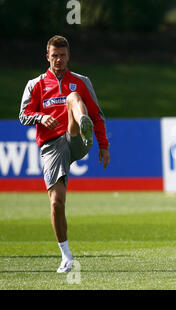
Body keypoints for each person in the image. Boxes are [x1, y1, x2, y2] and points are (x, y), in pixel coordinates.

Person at [19, 35, 110, 273]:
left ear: (68, 56)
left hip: (77, 139)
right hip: (52, 146)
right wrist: (40, 116)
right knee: (57, 203)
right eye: (54, 55)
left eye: (62, 55)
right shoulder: (35, 84)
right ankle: (66, 256)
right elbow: (23, 114)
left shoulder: (81, 81)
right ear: (47, 56)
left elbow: (98, 114)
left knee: (73, 98)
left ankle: (82, 124)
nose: (58, 60)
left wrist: (103, 144)